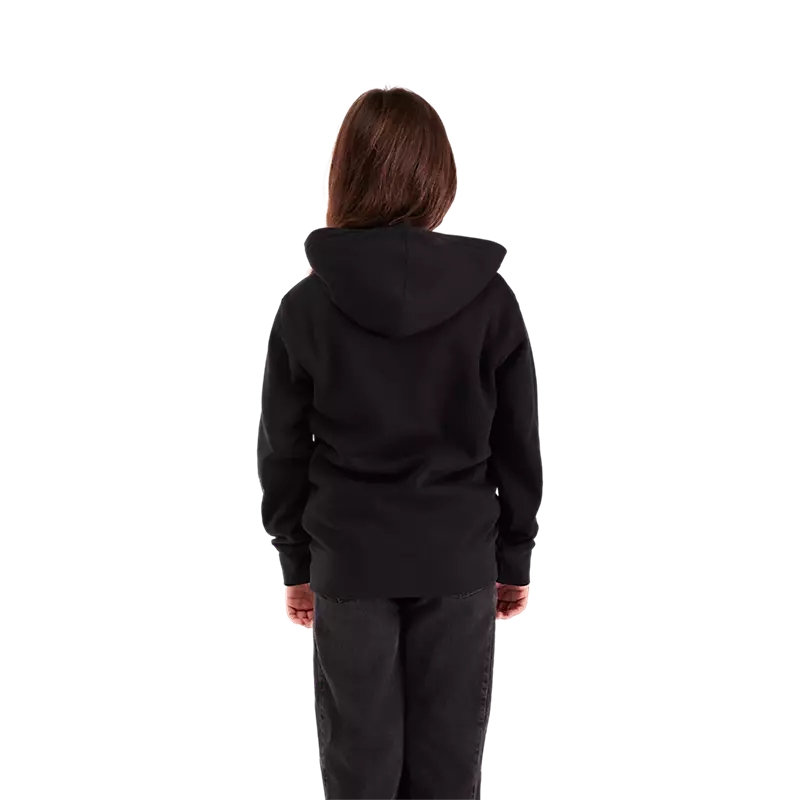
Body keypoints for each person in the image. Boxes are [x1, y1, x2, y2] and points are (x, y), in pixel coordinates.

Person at [257, 87, 543, 800]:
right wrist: (514, 554)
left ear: (345, 174)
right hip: (458, 557)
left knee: (359, 772)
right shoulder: (490, 300)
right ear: (437, 175)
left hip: (349, 559)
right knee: (448, 775)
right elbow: (518, 439)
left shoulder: (305, 306)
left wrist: (296, 559)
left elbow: (283, 451)